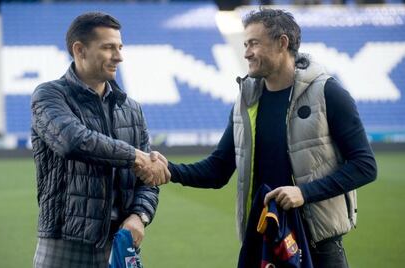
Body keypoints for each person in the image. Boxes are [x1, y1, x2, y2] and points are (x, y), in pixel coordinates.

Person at [148, 8, 377, 268]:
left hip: (319, 247)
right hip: (264, 241)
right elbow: (217, 170)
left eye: (254, 43)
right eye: (245, 44)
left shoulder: (328, 93)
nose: (246, 52)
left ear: (282, 43)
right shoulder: (246, 101)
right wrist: (168, 169)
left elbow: (365, 166)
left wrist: (304, 192)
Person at [31, 12, 169, 268]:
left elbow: (147, 179)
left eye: (119, 47)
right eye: (108, 47)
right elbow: (73, 141)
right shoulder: (49, 96)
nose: (119, 56)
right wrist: (136, 156)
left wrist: (140, 216)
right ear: (80, 50)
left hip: (120, 242)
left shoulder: (132, 108)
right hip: (63, 245)